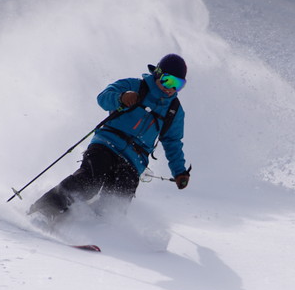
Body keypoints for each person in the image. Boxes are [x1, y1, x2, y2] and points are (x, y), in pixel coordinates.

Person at [28, 54, 191, 220]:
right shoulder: (135, 86)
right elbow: (103, 98)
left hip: (135, 161)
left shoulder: (174, 111)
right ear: (157, 73)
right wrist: (121, 98)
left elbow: (173, 142)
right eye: (167, 80)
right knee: (90, 180)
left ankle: (93, 230)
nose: (170, 88)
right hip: (106, 144)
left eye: (178, 84)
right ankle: (43, 211)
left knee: (116, 202)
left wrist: (179, 172)